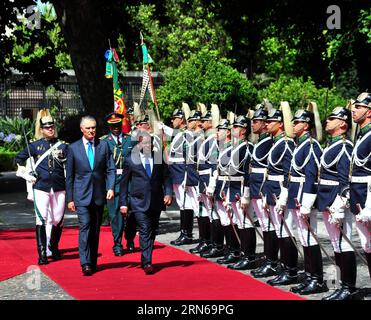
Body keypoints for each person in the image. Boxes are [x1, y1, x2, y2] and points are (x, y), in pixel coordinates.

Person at [15, 110, 68, 265]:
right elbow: (18, 158)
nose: (49, 129)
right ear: (42, 129)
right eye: (46, 127)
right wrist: (27, 172)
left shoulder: (63, 146)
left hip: (59, 186)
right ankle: (43, 253)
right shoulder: (35, 146)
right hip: (41, 186)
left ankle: (54, 245)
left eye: (51, 127)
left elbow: (69, 165)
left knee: (58, 219)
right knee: (41, 219)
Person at [66, 115, 116, 276]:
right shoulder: (73, 148)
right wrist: (70, 199)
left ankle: (93, 261)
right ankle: (85, 263)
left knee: (95, 230)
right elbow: (70, 176)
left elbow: (111, 169)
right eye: (88, 128)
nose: (91, 131)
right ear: (82, 129)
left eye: (93, 127)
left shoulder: (104, 146)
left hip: (99, 194)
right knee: (85, 226)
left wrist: (110, 187)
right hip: (81, 195)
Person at [287, 105, 328, 294]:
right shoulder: (300, 144)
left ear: (306, 125)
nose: (293, 125)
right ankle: (309, 275)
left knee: (310, 238)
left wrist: (306, 203)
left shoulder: (311, 145)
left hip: (304, 197)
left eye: (297, 122)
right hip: (297, 196)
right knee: (303, 237)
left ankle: (317, 279)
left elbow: (311, 176)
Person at [254, 103, 296, 282]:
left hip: (280, 190)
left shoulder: (285, 144)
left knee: (286, 232)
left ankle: (290, 270)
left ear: (280, 124)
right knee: (278, 231)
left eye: (271, 121)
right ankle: (281, 267)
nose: (267, 124)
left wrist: (284, 195)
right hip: (271, 189)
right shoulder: (276, 142)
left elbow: (288, 172)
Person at [119, 133, 172, 274]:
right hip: (138, 201)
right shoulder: (131, 160)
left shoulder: (159, 158)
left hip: (156, 201)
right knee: (144, 229)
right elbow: (123, 184)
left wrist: (168, 193)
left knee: (153, 230)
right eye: (145, 143)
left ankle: (145, 258)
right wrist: (123, 203)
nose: (148, 146)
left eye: (150, 143)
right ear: (138, 144)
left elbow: (166, 177)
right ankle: (148, 261)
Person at [318, 107, 357, 300]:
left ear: (342, 123)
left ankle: (349, 288)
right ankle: (341, 285)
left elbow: (345, 179)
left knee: (344, 243)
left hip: (337, 199)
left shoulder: (344, 146)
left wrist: (341, 204)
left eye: (332, 118)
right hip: (327, 197)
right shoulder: (331, 144)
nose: (327, 121)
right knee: (336, 244)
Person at [101, 112, 133, 256]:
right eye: (113, 126)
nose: (116, 128)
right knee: (115, 215)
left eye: (118, 125)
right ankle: (117, 243)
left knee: (132, 213)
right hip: (112, 182)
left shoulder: (130, 140)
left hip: (130, 181)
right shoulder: (103, 142)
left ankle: (130, 238)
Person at [248, 104, 275, 273]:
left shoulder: (269, 142)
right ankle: (268, 260)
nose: (253, 124)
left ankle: (272, 262)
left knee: (269, 225)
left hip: (263, 186)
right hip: (256, 185)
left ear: (265, 124)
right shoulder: (260, 141)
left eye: (256, 121)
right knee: (265, 225)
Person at [350, 93, 371, 283]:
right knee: (367, 245)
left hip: (368, 195)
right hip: (358, 195)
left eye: (358, 107)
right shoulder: (361, 135)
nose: (353, 110)